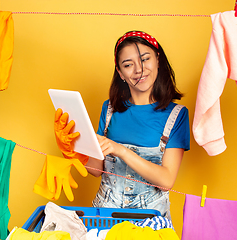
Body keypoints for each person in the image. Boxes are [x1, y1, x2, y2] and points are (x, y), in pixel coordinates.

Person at [55, 30, 190, 220]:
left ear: (158, 60)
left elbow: (166, 180)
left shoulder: (177, 115)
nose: (139, 70)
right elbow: (97, 169)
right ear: (120, 72)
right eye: (128, 64)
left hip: (150, 218)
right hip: (105, 212)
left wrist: (122, 151)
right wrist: (74, 150)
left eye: (145, 59)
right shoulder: (109, 110)